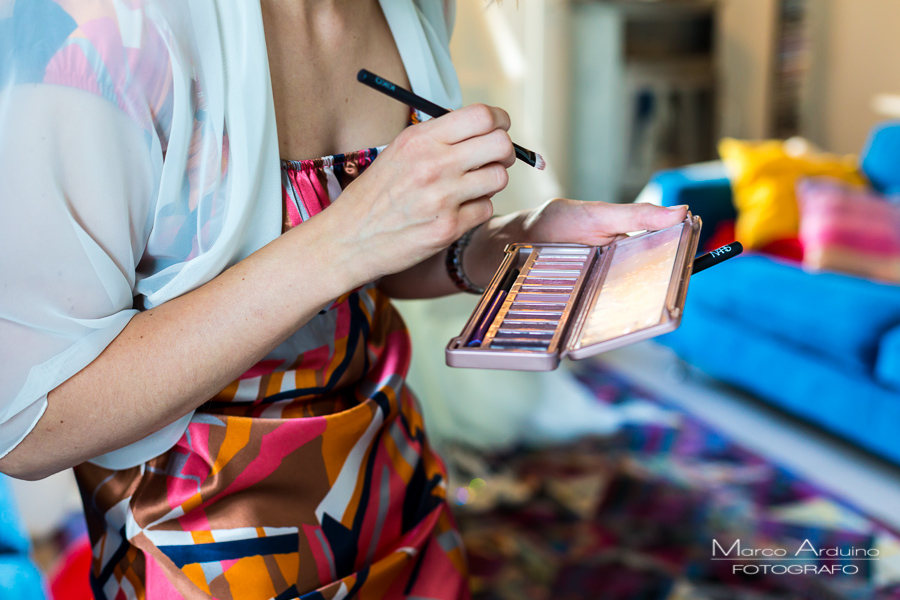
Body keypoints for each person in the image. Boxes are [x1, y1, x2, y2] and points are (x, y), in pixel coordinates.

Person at [0, 0, 687, 597]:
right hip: (201, 554)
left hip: (398, 495)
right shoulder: (96, 28)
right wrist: (344, 239)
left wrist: (518, 242)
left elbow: (374, 271)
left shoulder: (409, 7)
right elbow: (30, 425)